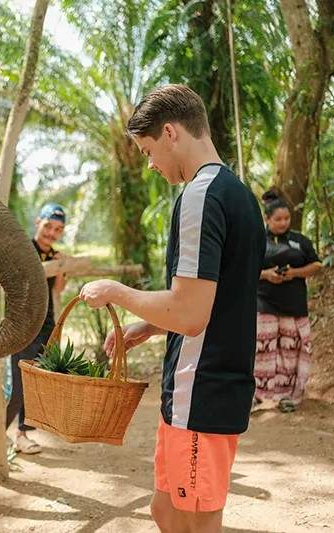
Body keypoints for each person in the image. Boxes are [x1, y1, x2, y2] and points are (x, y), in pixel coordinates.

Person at [79, 84, 265, 533]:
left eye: (147, 151)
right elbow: (211, 301)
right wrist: (147, 323)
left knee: (195, 523)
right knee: (165, 513)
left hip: (200, 391)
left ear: (170, 132)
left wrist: (117, 292)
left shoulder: (200, 196)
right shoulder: (237, 194)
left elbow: (189, 314)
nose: (150, 164)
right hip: (198, 388)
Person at [5, 202, 68, 454]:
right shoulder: (23, 250)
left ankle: (22, 434)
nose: (51, 233)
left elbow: (58, 289)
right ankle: (0, 432)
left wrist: (61, 267)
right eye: (48, 226)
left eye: (58, 229)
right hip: (23, 325)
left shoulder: (54, 255)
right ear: (37, 222)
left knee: (37, 383)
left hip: (47, 326)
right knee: (19, 383)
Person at [255, 190, 322, 413]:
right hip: (263, 302)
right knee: (261, 349)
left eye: (287, 218)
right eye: (278, 219)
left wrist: (294, 273)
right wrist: (266, 274)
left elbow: (317, 265)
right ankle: (257, 394)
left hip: (293, 305)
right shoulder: (255, 241)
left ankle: (287, 396)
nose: (283, 223)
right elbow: (242, 269)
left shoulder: (299, 240)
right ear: (267, 219)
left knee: (290, 350)